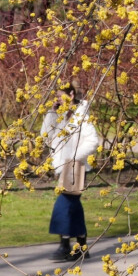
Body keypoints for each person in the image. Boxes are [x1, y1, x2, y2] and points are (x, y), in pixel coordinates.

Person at [42, 84, 100, 261]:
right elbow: (45, 135)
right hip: (63, 167)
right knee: (73, 207)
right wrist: (52, 112)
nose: (58, 100)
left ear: (72, 94)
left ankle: (64, 245)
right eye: (57, 97)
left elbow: (93, 141)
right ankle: (82, 247)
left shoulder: (82, 116)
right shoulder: (61, 115)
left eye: (61, 96)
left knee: (63, 205)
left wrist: (74, 157)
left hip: (75, 166)